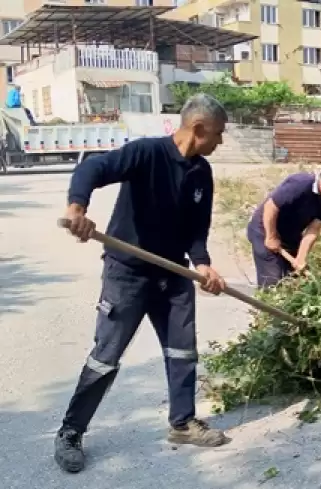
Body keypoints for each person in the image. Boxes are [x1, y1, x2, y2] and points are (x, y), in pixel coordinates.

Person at [54, 93, 231, 474]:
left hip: (173, 273)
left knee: (183, 351)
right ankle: (70, 431)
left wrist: (203, 264)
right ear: (198, 129)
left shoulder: (202, 172)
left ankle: (182, 423)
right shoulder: (146, 154)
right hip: (127, 274)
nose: (221, 141)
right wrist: (76, 208)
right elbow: (93, 170)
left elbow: (197, 229)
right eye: (217, 134)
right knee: (106, 356)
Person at [246, 168, 321, 288]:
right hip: (264, 229)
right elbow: (271, 207)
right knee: (273, 279)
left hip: (290, 235)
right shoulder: (300, 183)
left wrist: (301, 257)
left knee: (296, 279)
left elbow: (313, 229)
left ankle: (285, 304)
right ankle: (267, 303)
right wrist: (271, 236)